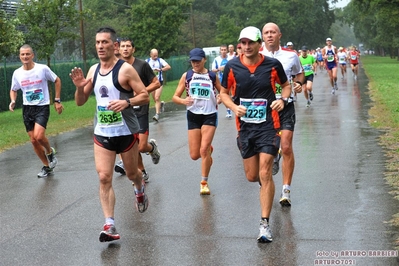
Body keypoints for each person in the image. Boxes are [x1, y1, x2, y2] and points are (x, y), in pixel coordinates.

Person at [69, 27, 150, 242]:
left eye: (105, 42)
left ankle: (139, 188)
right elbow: (80, 102)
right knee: (104, 177)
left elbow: (144, 96)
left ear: (115, 46)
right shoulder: (93, 70)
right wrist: (79, 88)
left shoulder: (125, 70)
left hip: (126, 131)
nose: (100, 46)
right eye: (97, 42)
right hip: (102, 133)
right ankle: (110, 225)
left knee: (132, 174)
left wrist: (126, 102)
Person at [220, 26, 292, 243]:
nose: (247, 46)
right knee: (252, 176)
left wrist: (283, 99)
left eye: (251, 42)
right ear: (240, 45)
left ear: (259, 44)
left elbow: (286, 86)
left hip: (269, 125)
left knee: (265, 173)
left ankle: (264, 224)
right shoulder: (232, 67)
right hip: (245, 128)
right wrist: (233, 107)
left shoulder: (272, 64)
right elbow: (223, 93)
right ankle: (266, 182)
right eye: (243, 42)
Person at [260, 22, 304, 206]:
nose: (269, 35)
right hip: (265, 108)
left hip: (286, 105)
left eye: (273, 32)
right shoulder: (256, 55)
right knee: (265, 151)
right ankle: (267, 185)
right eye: (266, 32)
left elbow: (299, 74)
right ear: (262, 37)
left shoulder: (290, 56)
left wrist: (299, 84)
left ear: (280, 35)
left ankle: (286, 190)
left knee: (286, 146)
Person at [9, 44, 62, 178]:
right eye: (22, 54)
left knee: (39, 136)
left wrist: (57, 100)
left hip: (42, 106)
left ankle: (50, 152)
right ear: (19, 57)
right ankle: (46, 166)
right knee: (33, 140)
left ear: (32, 55)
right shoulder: (17, 73)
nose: (25, 57)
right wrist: (13, 100)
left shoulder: (42, 69)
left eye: (27, 54)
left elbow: (57, 80)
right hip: (27, 108)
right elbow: (13, 89)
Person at [172, 48, 221, 195]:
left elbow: (224, 91)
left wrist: (219, 98)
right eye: (193, 61)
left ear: (204, 59)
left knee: (203, 149)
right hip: (193, 115)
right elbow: (175, 96)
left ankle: (204, 182)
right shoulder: (187, 76)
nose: (195, 63)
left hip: (210, 115)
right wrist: (183, 100)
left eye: (198, 61)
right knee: (194, 155)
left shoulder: (212, 75)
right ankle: (208, 151)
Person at [114, 37, 161, 181]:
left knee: (141, 146)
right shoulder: (115, 67)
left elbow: (156, 83)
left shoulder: (142, 65)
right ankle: (142, 171)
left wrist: (142, 91)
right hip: (124, 111)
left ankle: (151, 148)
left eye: (128, 46)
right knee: (130, 145)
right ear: (119, 49)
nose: (126, 48)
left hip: (140, 109)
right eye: (123, 46)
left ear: (133, 49)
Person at [146, 48, 171, 122]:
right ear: (151, 55)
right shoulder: (147, 61)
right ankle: (161, 104)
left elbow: (168, 67)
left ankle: (157, 115)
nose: (156, 57)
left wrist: (161, 70)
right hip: (151, 83)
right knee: (155, 99)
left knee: (157, 97)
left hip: (159, 81)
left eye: (156, 55)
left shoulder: (160, 60)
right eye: (154, 56)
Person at [211, 44, 232, 118]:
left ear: (227, 50)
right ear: (220, 51)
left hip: (230, 80)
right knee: (222, 96)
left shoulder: (230, 59)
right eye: (222, 50)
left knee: (228, 95)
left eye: (224, 50)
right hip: (220, 80)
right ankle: (227, 109)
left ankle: (228, 109)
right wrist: (219, 69)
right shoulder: (217, 59)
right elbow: (213, 70)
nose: (223, 51)